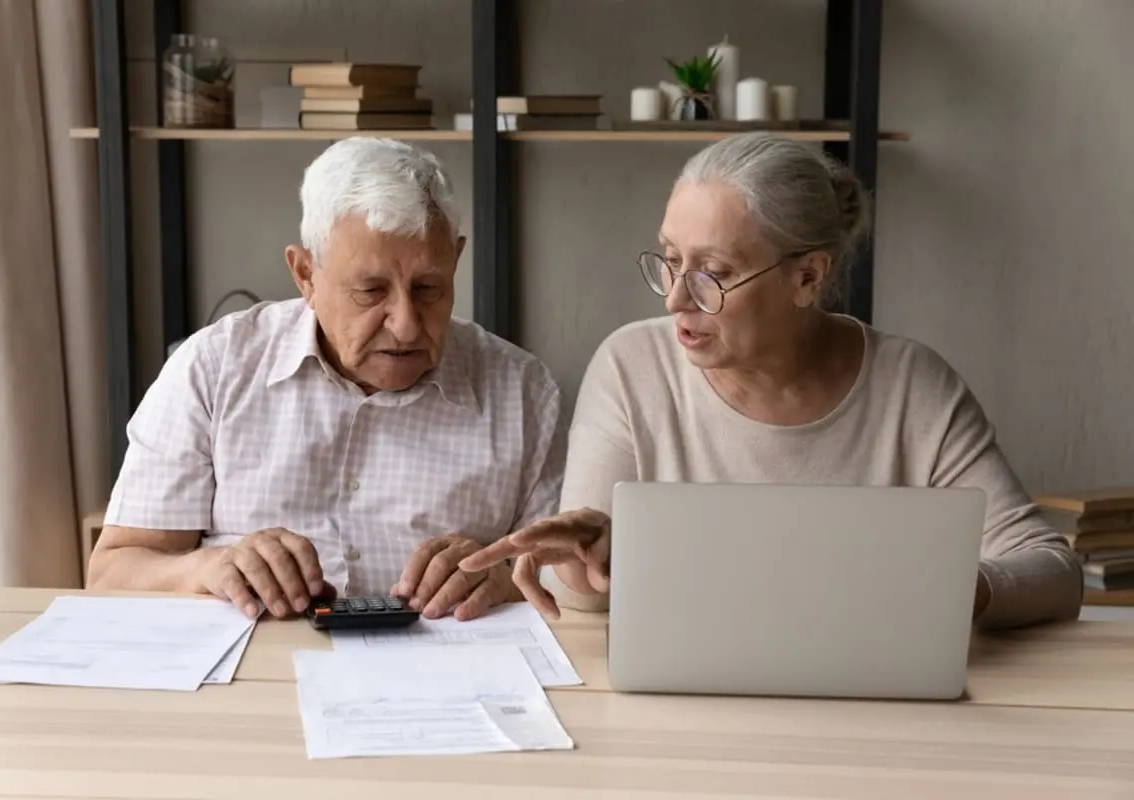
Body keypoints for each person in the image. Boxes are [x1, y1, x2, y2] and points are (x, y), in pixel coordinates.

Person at [460, 132, 1082, 630]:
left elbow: (1054, 570)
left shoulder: (912, 386)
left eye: (713, 273)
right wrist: (593, 561)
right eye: (671, 260)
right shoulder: (633, 366)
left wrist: (951, 593)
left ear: (808, 277)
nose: (677, 297)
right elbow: (588, 604)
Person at [88, 137, 565, 622]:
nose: (405, 323)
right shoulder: (214, 368)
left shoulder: (523, 394)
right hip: (250, 682)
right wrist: (206, 569)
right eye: (370, 290)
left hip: (451, 685)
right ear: (305, 275)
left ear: (456, 263)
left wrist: (505, 580)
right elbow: (113, 573)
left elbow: (570, 586)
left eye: (429, 288)